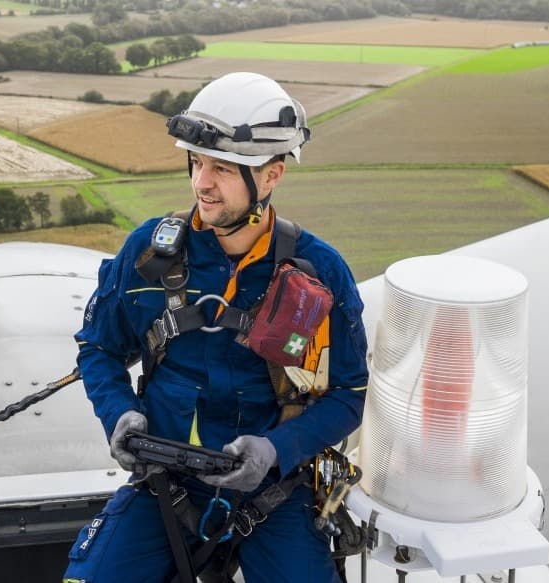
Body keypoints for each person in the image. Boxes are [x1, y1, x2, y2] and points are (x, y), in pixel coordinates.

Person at [64, 72, 369, 583]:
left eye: (223, 168)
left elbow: (349, 393)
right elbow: (98, 348)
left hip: (274, 494)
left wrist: (277, 450)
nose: (201, 182)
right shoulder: (148, 255)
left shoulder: (320, 273)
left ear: (271, 176)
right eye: (197, 162)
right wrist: (119, 417)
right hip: (163, 480)